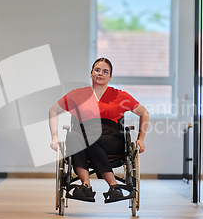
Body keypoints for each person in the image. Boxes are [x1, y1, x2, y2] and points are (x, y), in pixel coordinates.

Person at [49, 57, 149, 202]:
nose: (100, 73)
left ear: (110, 76)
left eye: (105, 71)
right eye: (97, 70)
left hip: (112, 137)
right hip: (84, 135)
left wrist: (141, 139)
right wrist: (54, 137)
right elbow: (53, 111)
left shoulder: (120, 95)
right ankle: (86, 185)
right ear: (91, 73)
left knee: (88, 140)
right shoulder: (78, 94)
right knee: (72, 137)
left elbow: (144, 113)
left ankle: (113, 184)